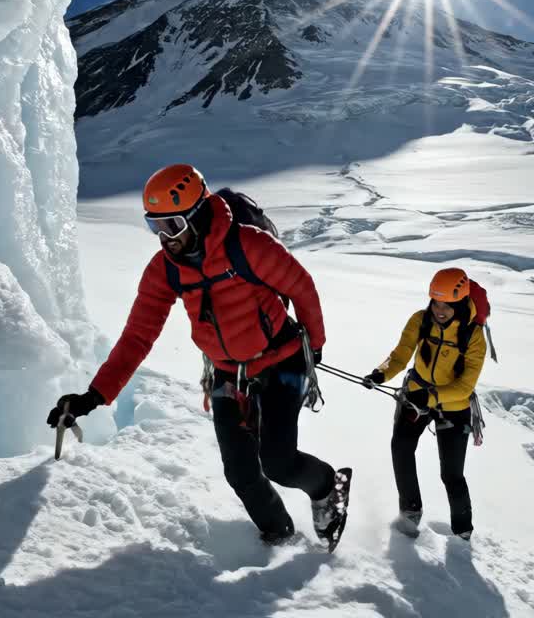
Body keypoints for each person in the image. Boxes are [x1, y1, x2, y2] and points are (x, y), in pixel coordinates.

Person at [47, 164, 349, 546]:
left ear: (197, 214)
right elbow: (137, 336)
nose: (164, 238)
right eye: (154, 227)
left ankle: (328, 486)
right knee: (240, 472)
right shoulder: (164, 270)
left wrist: (315, 346)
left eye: (171, 226)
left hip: (282, 362)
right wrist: (93, 396)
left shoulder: (250, 245)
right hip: (227, 375)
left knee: (277, 462)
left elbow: (302, 289)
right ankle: (280, 535)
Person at [363, 267, 487, 540]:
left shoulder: (473, 336)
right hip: (416, 394)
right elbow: (401, 354)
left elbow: (465, 386)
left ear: (461, 303)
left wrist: (430, 398)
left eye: (447, 305)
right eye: (435, 303)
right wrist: (380, 373)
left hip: (453, 407)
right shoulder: (420, 321)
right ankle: (410, 511)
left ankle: (462, 531)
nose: (439, 310)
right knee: (401, 446)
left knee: (451, 474)